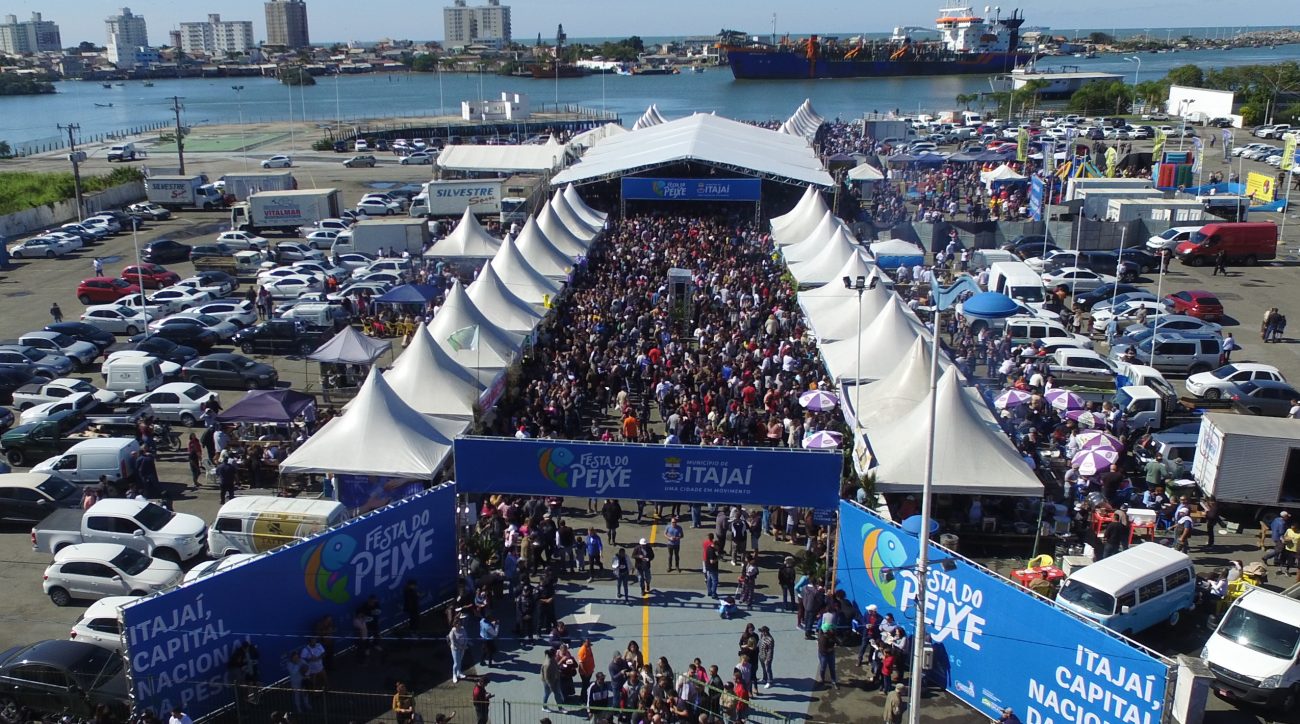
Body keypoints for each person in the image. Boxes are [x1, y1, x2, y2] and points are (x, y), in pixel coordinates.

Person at [448, 615, 470, 683]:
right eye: (457, 624)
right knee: (456, 663)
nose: (459, 625)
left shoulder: (463, 629)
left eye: (460, 623)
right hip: (455, 649)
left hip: (462, 648)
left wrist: (465, 645)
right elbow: (453, 643)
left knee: (460, 660)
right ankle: (454, 675)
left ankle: (459, 673)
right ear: (455, 625)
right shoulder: (452, 632)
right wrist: (461, 647)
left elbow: (466, 637)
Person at [756, 625, 775, 690]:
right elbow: (759, 643)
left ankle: (770, 682)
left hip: (767, 657)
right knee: (764, 668)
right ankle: (764, 678)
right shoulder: (762, 636)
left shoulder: (770, 639)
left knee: (768, 669)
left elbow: (770, 651)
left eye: (762, 631)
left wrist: (768, 659)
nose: (761, 632)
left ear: (765, 632)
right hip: (761, 655)